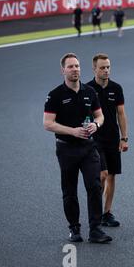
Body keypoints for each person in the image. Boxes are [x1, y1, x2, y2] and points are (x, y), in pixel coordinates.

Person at [43, 53, 112, 243]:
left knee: (95, 186)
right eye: (71, 66)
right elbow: (48, 124)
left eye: (77, 66)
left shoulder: (90, 91)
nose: (75, 69)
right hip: (66, 149)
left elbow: (100, 116)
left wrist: (96, 125)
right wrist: (72, 131)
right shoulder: (55, 95)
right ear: (63, 70)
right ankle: (74, 228)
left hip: (89, 147)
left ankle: (96, 229)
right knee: (70, 190)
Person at [87, 53, 128, 228]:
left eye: (108, 67)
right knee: (102, 174)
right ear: (94, 69)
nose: (106, 70)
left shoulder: (116, 88)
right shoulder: (87, 89)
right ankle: (96, 211)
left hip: (113, 138)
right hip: (95, 139)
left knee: (111, 176)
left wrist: (124, 137)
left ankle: (107, 212)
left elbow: (121, 113)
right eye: (102, 67)